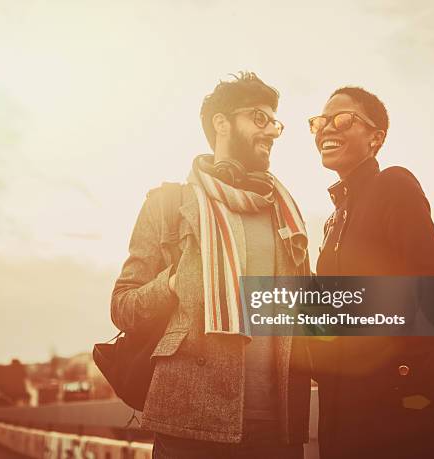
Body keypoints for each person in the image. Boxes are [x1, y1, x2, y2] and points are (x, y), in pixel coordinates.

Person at [111, 72, 312, 458]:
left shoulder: (285, 214)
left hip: (280, 430)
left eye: (274, 122)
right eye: (259, 117)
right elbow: (122, 306)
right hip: (190, 427)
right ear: (221, 123)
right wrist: (173, 281)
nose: (271, 130)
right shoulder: (168, 204)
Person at [307, 86, 434, 459]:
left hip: (405, 418)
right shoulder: (334, 221)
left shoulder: (394, 185)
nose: (327, 127)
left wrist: (390, 376)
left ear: (376, 138)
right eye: (319, 121)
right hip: (344, 417)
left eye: (343, 118)